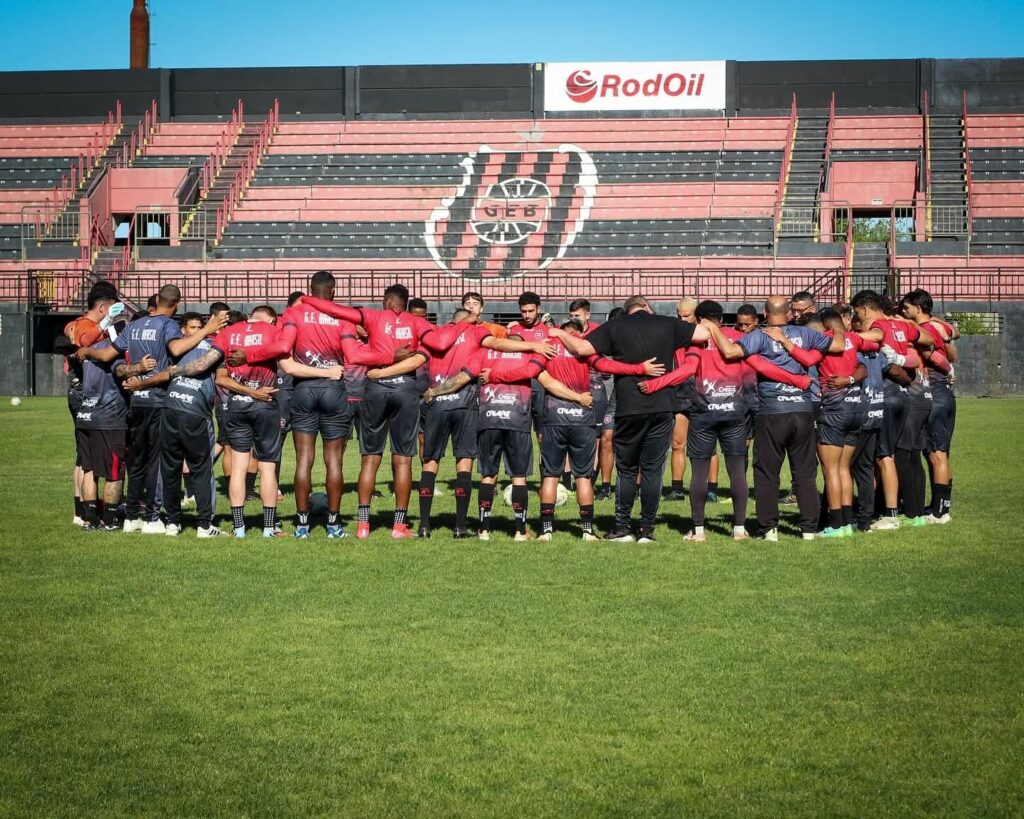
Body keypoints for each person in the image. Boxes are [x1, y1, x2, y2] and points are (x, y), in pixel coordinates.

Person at [300, 283, 466, 539]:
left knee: (370, 458)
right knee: (403, 459)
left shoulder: (374, 316)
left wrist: (307, 300)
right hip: (405, 391)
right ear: (405, 303)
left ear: (388, 302)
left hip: (376, 388)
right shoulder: (417, 322)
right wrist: (466, 322)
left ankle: (363, 525)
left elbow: (334, 309)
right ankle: (399, 526)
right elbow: (441, 342)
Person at [643, 300, 810, 541]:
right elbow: (760, 366)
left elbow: (687, 371)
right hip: (735, 413)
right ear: (722, 319)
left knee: (699, 471)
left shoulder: (697, 341)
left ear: (700, 320)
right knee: (736, 471)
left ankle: (698, 531)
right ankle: (739, 529)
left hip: (704, 414)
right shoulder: (738, 338)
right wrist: (798, 381)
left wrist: (654, 384)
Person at [551, 295, 710, 543]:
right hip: (662, 405)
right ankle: (646, 529)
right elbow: (702, 334)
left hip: (629, 406)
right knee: (653, 470)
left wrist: (560, 334)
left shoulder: (616, 326)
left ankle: (622, 527)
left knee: (626, 470)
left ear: (627, 311)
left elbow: (582, 349)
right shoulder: (667, 323)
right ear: (647, 307)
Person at [233, 272, 376, 537]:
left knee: (303, 460)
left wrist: (249, 354)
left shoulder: (294, 315)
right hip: (334, 388)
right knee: (334, 461)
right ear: (333, 292)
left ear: (310, 290)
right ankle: (333, 524)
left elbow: (282, 347)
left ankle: (302, 525)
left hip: (303, 388)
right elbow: (353, 354)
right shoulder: (341, 316)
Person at [78, 284, 227, 533]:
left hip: (137, 401)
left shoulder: (136, 325)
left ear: (157, 299)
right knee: (158, 463)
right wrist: (208, 330)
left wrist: (86, 350)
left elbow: (106, 356)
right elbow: (177, 349)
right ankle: (153, 518)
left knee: (137, 461)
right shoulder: (167, 325)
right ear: (177, 305)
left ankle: (131, 517)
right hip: (159, 400)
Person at [707, 296, 845, 541]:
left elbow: (729, 352)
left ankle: (769, 528)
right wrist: (838, 329)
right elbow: (837, 346)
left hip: (771, 412)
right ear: (790, 312)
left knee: (767, 472)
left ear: (764, 313)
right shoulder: (805, 334)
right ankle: (809, 529)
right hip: (803, 410)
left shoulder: (760, 336)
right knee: (804, 471)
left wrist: (713, 329)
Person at [415, 310, 557, 538]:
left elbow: (458, 377)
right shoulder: (485, 339)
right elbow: (531, 369)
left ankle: (431, 526)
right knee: (499, 472)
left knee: (436, 464)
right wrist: (534, 345)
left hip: (466, 412)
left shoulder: (443, 338)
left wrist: (433, 391)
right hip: (495, 414)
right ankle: (472, 528)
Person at [537, 319, 661, 541]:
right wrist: (639, 369)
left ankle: (546, 531)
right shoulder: (587, 350)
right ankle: (587, 531)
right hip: (583, 419)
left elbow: (535, 373)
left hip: (554, 417)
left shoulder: (547, 348)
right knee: (584, 477)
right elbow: (609, 367)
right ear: (580, 334)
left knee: (550, 475)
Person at [776, 307, 879, 537]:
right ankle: (846, 523)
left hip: (834, 411)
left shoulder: (826, 342)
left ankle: (835, 526)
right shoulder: (853, 339)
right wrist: (850, 378)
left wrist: (784, 341)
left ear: (826, 327)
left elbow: (806, 358)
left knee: (830, 470)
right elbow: (865, 363)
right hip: (856, 409)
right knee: (844, 468)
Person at [129, 313, 228, 537]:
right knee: (201, 468)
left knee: (170, 467)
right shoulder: (215, 345)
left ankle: (172, 522)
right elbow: (209, 371)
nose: (195, 330)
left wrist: (141, 383)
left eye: (198, 327)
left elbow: (164, 372)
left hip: (170, 407)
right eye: (191, 327)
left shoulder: (176, 347)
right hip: (194, 411)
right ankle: (204, 525)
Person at [852, 290, 934, 530]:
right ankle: (889, 509)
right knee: (894, 454)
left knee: (883, 455)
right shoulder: (899, 325)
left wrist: (848, 338)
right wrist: (904, 347)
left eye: (857, 313)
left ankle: (890, 514)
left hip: (885, 394)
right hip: (903, 396)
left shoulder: (877, 325)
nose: (859, 318)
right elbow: (928, 338)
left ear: (865, 310)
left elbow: (874, 337)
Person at [75, 328, 156, 531]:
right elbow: (120, 370)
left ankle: (90, 519)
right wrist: (140, 367)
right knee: (115, 473)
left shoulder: (90, 350)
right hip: (109, 419)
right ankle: (109, 521)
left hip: (86, 416)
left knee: (89, 470)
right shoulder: (114, 352)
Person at [61, 281, 120, 526]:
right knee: (85, 458)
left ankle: (81, 512)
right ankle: (85, 511)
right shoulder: (87, 325)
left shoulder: (74, 323)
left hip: (81, 392)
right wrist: (106, 324)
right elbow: (85, 339)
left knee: (83, 457)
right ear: (104, 307)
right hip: (85, 392)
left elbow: (71, 331)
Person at [901, 289, 958, 523]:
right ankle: (940, 505)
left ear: (918, 308)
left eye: (906, 308)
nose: (903, 311)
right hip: (942, 393)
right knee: (938, 452)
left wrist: (947, 369)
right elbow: (952, 349)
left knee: (936, 453)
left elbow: (934, 355)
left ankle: (941, 512)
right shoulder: (937, 327)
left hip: (934, 392)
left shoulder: (928, 330)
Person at [667, 298, 698, 500]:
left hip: (704, 389)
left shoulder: (704, 332)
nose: (681, 318)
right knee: (678, 443)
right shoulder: (672, 332)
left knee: (706, 446)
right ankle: (677, 489)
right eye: (679, 315)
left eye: (686, 315)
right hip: (679, 389)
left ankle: (710, 489)